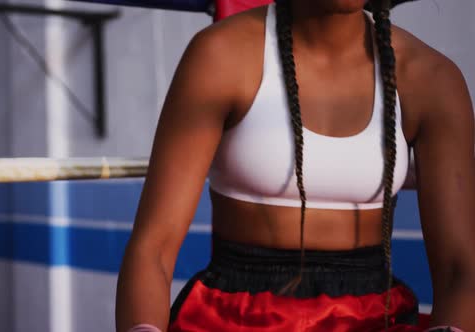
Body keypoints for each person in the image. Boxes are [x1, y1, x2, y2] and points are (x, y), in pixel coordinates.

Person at [116, 0, 475, 331]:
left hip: (375, 318)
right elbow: (154, 248)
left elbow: (462, 268)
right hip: (230, 319)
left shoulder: (431, 77)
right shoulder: (221, 55)